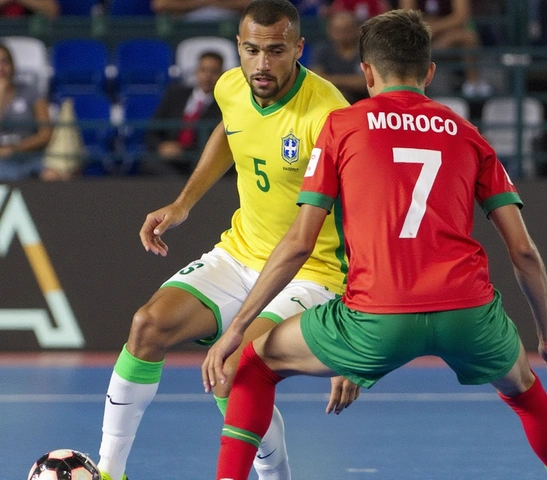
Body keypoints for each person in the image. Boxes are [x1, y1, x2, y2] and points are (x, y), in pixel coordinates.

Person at [204, 9, 547, 480]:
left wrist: (238, 327)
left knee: (251, 364)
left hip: (376, 319)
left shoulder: (342, 126)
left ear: (366, 72)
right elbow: (523, 251)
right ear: (429, 72)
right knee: (526, 393)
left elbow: (302, 241)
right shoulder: (469, 136)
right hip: (467, 313)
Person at [95, 1, 359, 480]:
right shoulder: (232, 85)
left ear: (298, 48)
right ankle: (110, 472)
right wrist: (184, 202)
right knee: (147, 325)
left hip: (313, 272)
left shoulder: (328, 116)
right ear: (238, 46)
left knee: (234, 368)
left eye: (276, 51)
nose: (262, 63)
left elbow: (366, 216)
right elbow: (228, 129)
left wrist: (356, 347)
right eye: (252, 50)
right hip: (241, 253)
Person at [144, 51, 224, 176]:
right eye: (204, 70)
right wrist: (161, 146)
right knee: (150, 165)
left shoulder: (223, 105)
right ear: (196, 72)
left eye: (213, 71)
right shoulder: (175, 95)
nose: (208, 76)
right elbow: (153, 129)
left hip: (198, 162)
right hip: (169, 161)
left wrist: (183, 150)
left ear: (221, 75)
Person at [398, 0, 492, 97]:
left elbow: (461, 16)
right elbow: (407, 16)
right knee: (405, 40)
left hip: (448, 33)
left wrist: (434, 27)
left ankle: (473, 85)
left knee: (469, 37)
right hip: (421, 36)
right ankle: (411, 89)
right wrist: (425, 29)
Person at [0, 43, 52, 181]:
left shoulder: (30, 91)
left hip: (30, 156)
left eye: (5, 61)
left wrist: (16, 148)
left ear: (13, 65)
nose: (1, 68)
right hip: (1, 161)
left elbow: (45, 133)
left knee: (52, 175)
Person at [311, 10, 369, 104]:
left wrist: (332, 79)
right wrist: (352, 81)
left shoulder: (366, 50)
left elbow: (367, 82)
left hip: (363, 102)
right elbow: (317, 80)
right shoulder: (321, 50)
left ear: (356, 30)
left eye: (346, 30)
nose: (342, 34)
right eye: (337, 30)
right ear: (329, 30)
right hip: (329, 102)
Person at [151, 0, 250, 22]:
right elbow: (160, 4)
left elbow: (250, 4)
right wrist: (202, 2)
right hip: (186, 27)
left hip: (230, 26)